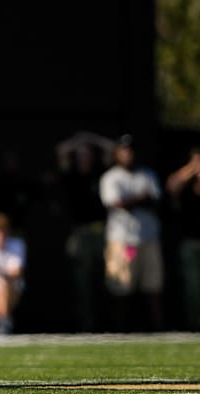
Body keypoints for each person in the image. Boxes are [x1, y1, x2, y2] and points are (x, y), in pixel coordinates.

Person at [99, 134, 164, 332]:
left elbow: (155, 200)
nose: (128, 154)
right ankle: (120, 331)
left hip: (148, 240)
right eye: (124, 150)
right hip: (124, 243)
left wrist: (133, 201)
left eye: (131, 150)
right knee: (122, 287)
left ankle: (157, 330)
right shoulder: (111, 177)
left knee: (152, 287)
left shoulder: (147, 174)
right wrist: (140, 199)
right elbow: (117, 204)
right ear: (117, 154)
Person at [55, 131, 115, 332]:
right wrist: (79, 140)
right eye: (80, 155)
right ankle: (85, 324)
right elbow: (61, 150)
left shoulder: (100, 172)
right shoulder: (70, 176)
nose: (84, 158)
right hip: (80, 235)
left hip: (102, 233)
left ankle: (109, 323)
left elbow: (110, 148)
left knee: (107, 277)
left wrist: (91, 139)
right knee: (82, 280)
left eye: (87, 154)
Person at [165, 146, 200, 331]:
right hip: (191, 244)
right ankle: (196, 326)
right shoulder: (185, 187)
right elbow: (172, 185)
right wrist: (193, 166)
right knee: (193, 288)